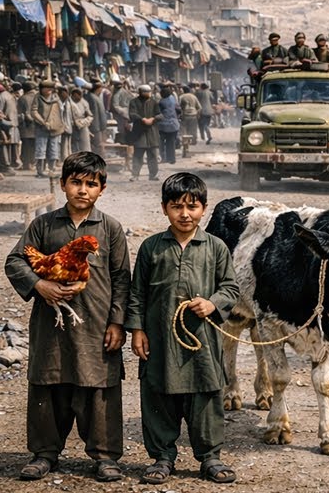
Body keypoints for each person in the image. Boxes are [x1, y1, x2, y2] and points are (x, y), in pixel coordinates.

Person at [4, 152, 131, 483]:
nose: (82, 190)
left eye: (91, 184)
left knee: (99, 387)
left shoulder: (110, 228)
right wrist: (39, 285)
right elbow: (15, 261)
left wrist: (117, 322)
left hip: (96, 324)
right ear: (63, 184)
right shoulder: (44, 225)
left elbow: (122, 279)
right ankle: (44, 453)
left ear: (102, 188)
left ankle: (105, 456)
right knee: (49, 384)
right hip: (52, 325)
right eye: (76, 182)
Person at [126, 173, 239, 485]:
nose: (185, 214)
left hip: (203, 340)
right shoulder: (151, 247)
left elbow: (231, 288)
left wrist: (212, 304)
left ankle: (210, 457)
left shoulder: (216, 247)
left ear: (204, 208)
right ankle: (162, 457)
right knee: (158, 394)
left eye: (192, 206)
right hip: (160, 338)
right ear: (164, 208)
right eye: (177, 206)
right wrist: (137, 330)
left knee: (206, 395)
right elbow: (136, 293)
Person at [29, 81, 66, 179]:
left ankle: (51, 170)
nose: (49, 90)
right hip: (42, 128)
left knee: (54, 149)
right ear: (42, 89)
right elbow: (33, 111)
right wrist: (42, 122)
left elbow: (61, 111)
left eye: (51, 88)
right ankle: (40, 171)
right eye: (47, 88)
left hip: (55, 128)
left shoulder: (56, 97)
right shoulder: (38, 97)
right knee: (41, 149)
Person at [129, 85, 161, 182]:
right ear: (141, 92)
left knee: (153, 155)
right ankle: (135, 175)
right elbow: (132, 114)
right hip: (139, 133)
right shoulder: (134, 102)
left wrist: (153, 119)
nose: (148, 93)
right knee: (138, 155)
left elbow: (160, 115)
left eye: (149, 91)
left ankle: (153, 175)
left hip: (152, 132)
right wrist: (142, 119)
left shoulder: (154, 102)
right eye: (146, 92)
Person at [0, 82, 19, 173]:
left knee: (3, 145)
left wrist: (1, 119)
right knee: (9, 145)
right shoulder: (10, 96)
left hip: (4, 124)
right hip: (12, 123)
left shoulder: (1, 97)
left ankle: (5, 166)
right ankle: (9, 164)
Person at [156, 84, 181, 165]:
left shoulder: (161, 102)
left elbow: (157, 113)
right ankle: (171, 158)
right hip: (174, 124)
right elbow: (179, 110)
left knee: (161, 142)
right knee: (171, 142)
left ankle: (163, 157)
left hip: (163, 125)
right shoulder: (173, 99)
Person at [18, 81, 38, 171]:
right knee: (34, 146)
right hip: (37, 126)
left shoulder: (22, 98)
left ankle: (27, 164)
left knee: (26, 147)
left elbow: (19, 113)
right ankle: (33, 163)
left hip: (26, 127)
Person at [67, 87, 93, 154]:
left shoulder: (84, 102)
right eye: (77, 95)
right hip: (71, 125)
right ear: (73, 95)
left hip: (82, 125)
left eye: (80, 95)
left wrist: (83, 122)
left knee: (85, 145)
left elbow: (90, 115)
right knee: (73, 146)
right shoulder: (68, 102)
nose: (79, 96)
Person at [109, 78, 132, 145]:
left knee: (121, 131)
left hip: (121, 115)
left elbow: (115, 106)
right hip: (124, 114)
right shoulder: (125, 92)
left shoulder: (117, 93)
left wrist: (124, 113)